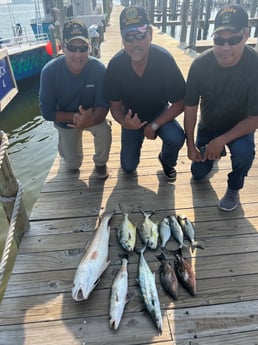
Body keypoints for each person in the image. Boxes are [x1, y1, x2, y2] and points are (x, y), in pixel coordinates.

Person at [184, 4, 258, 211]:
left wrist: (223, 140)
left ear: (246, 35)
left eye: (233, 40)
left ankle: (234, 186)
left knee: (244, 154)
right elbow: (190, 107)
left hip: (240, 128)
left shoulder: (255, 66)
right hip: (209, 125)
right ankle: (215, 152)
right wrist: (190, 145)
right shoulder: (199, 65)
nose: (225, 47)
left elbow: (255, 118)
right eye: (219, 40)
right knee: (198, 175)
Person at [104, 5, 185, 182]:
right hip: (131, 117)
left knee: (176, 137)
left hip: (159, 112)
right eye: (129, 37)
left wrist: (155, 125)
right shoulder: (115, 65)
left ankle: (166, 160)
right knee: (128, 167)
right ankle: (131, 151)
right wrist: (124, 122)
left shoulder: (164, 60)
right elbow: (115, 106)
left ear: (150, 34)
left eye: (140, 35)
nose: (135, 43)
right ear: (123, 40)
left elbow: (180, 102)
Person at [39, 19, 111, 179]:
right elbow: (47, 112)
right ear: (63, 47)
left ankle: (101, 163)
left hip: (92, 116)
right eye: (72, 48)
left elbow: (103, 106)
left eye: (83, 48)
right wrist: (76, 117)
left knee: (104, 130)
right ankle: (64, 147)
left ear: (90, 48)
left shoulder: (99, 69)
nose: (78, 54)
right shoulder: (49, 72)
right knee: (73, 166)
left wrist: (89, 119)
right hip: (66, 120)